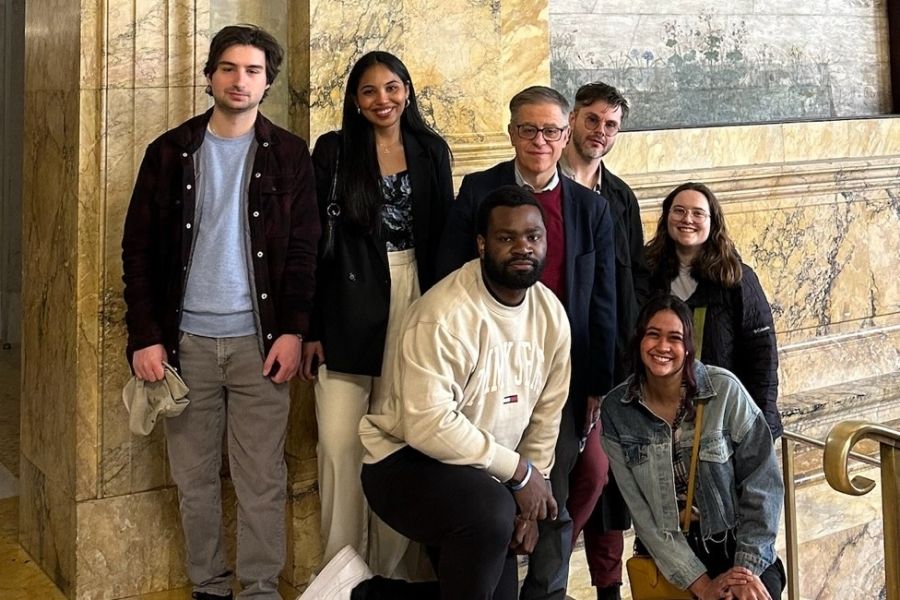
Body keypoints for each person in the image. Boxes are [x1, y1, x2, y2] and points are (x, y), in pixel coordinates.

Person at [121, 25, 319, 600]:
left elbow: (305, 251)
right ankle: (208, 586)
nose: (240, 80)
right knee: (194, 480)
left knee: (262, 481)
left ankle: (258, 590)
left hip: (261, 346)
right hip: (187, 346)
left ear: (267, 82)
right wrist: (145, 336)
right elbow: (138, 251)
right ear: (209, 75)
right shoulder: (170, 151)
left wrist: (293, 331)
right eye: (229, 68)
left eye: (253, 70)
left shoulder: (288, 155)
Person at [436, 85, 616, 600]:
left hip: (558, 381)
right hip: (486, 375)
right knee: (488, 501)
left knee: (551, 500)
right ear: (512, 132)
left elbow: (602, 302)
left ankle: (547, 594)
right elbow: (449, 277)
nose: (540, 140)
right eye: (529, 129)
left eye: (552, 130)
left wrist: (596, 382)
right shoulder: (478, 190)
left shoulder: (589, 209)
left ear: (566, 137)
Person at [358, 185, 572, 600]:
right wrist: (517, 477)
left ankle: (374, 596)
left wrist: (531, 491)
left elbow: (546, 417)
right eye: (506, 238)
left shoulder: (551, 316)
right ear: (481, 244)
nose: (522, 248)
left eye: (533, 237)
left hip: (489, 478)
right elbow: (427, 424)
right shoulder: (445, 314)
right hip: (403, 462)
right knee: (490, 514)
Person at [300, 50, 454, 577]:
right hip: (349, 301)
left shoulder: (431, 150)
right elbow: (311, 245)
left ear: (407, 90)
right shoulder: (336, 151)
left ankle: (392, 578)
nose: (382, 100)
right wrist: (312, 329)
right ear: (355, 100)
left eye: (392, 87)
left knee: (400, 441)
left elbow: (444, 242)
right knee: (341, 445)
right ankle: (339, 576)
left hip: (417, 298)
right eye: (369, 91)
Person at [601, 295, 786, 600]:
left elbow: (763, 485)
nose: (662, 347)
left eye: (674, 338)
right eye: (653, 335)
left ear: (688, 347)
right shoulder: (617, 410)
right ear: (639, 340)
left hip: (736, 547)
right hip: (670, 558)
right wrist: (701, 586)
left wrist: (744, 570)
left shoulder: (724, 390)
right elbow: (642, 516)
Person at [559, 81, 648, 600]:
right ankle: (546, 567)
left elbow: (633, 278)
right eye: (592, 119)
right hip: (550, 352)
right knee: (570, 469)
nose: (600, 132)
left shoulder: (620, 197)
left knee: (605, 475)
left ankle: (607, 585)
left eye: (611, 124)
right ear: (573, 119)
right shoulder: (545, 183)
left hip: (608, 356)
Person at [644, 182, 782, 437]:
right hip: (657, 419)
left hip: (721, 422)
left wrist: (763, 429)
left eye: (698, 213)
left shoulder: (737, 280)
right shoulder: (645, 274)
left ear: (713, 222)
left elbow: (762, 357)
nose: (688, 219)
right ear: (667, 218)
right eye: (679, 211)